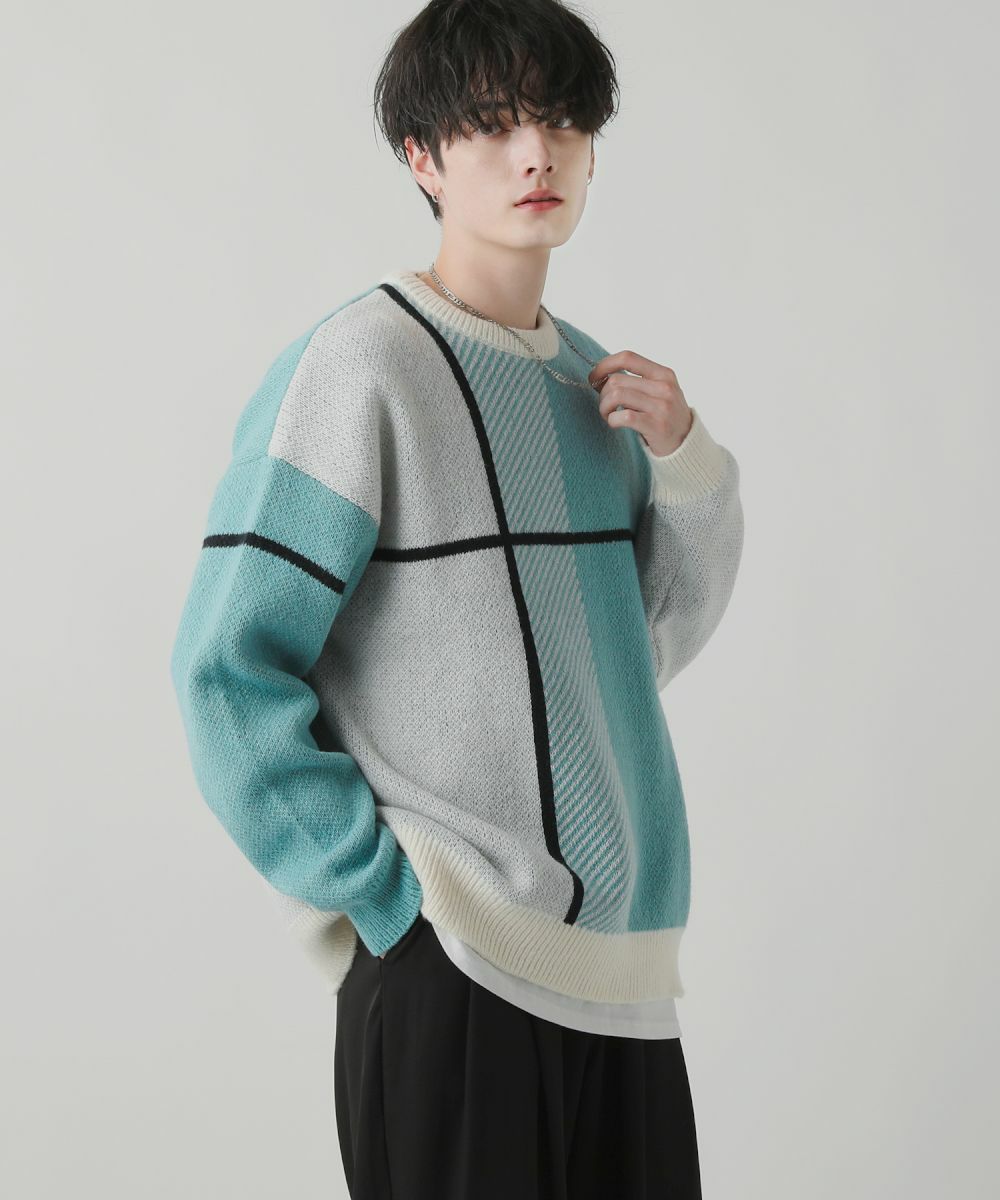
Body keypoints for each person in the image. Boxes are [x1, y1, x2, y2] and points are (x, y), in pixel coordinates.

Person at [169, 0, 744, 1195]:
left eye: (561, 120)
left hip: (622, 975)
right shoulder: (361, 366)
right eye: (491, 124)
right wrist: (381, 896)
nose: (536, 153)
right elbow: (225, 667)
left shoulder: (596, 388)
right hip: (453, 964)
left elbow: (637, 648)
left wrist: (686, 463)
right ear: (422, 158)